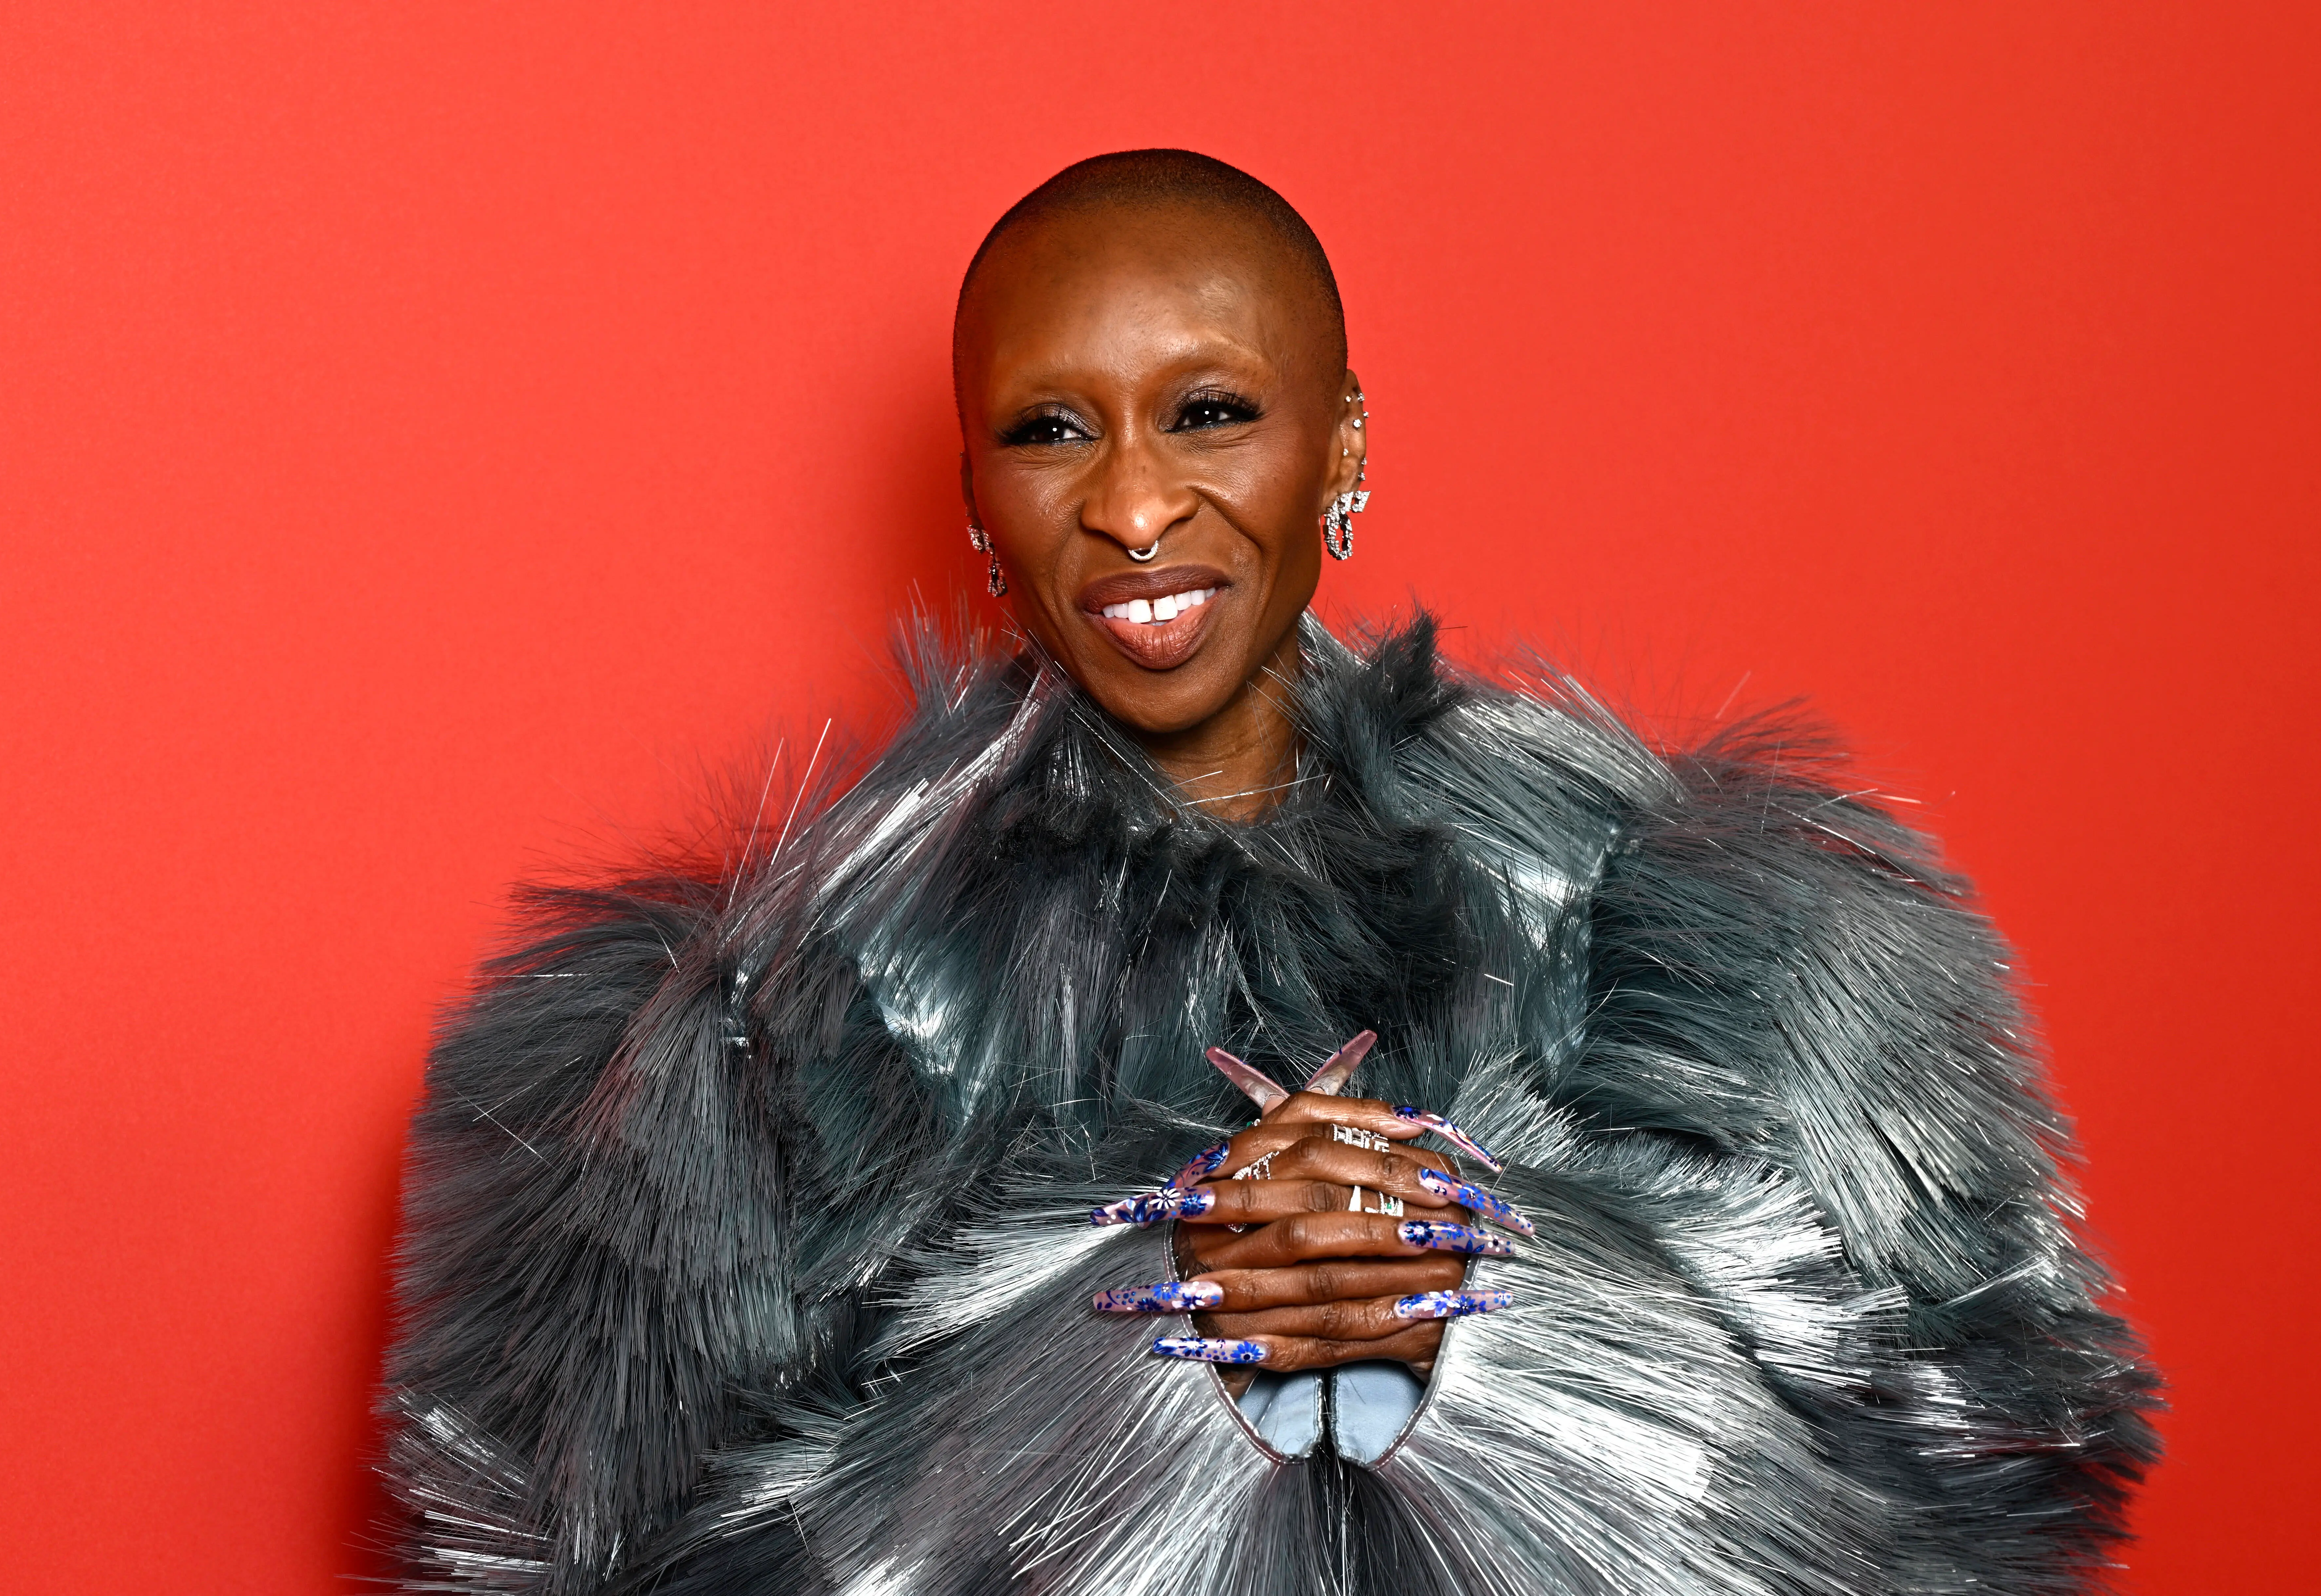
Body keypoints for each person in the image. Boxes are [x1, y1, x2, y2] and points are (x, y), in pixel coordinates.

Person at [380, 150, 2156, 1595]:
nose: (1136, 508)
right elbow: (574, 1550)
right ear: (976, 494)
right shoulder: (790, 1013)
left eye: (1211, 413)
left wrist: (1495, 1299)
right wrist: (1146, 1334)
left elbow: (1984, 1483)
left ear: (1343, 446)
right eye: (1052, 431)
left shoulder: (1675, 922)